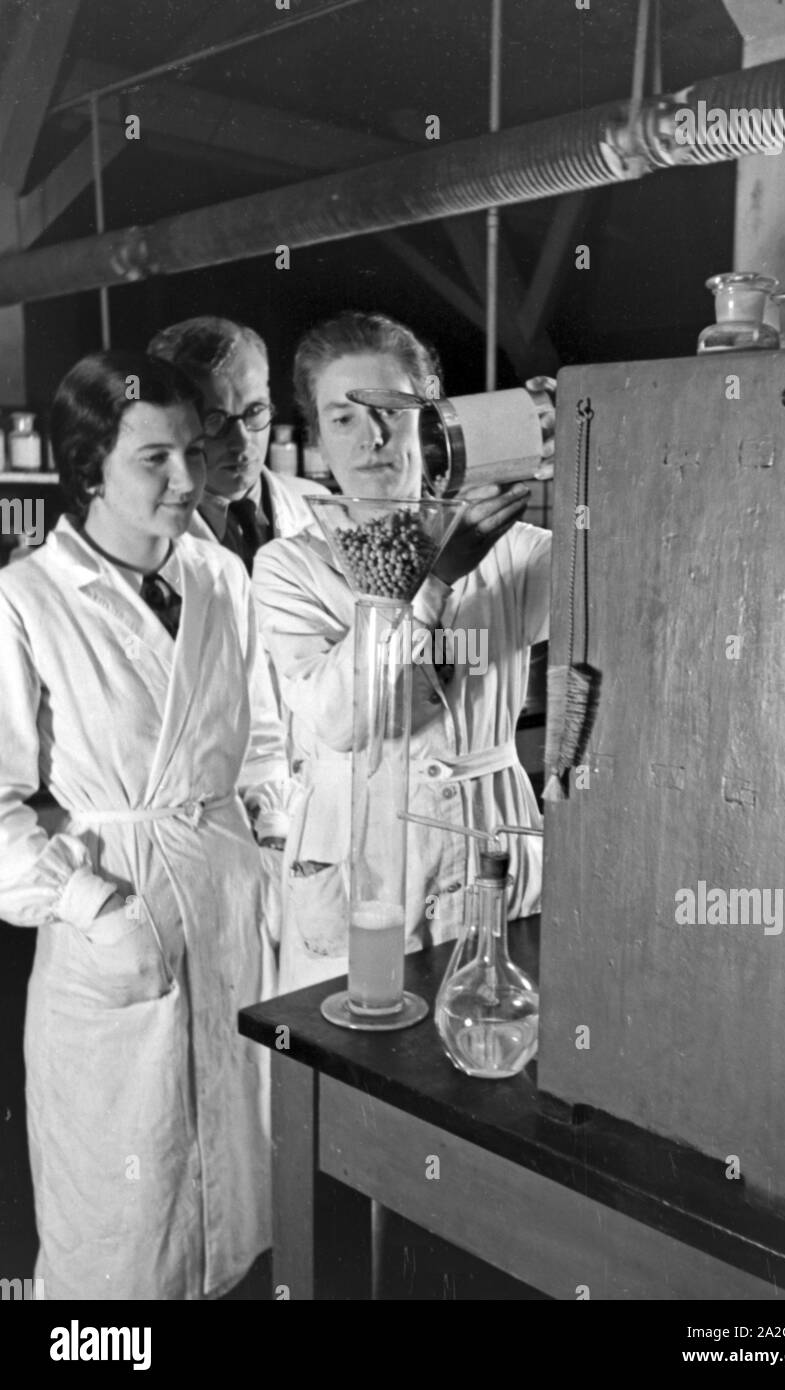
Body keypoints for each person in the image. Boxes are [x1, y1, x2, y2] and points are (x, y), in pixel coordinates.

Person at [0, 351, 292, 1300]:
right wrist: (94, 905)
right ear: (88, 468)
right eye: (153, 459)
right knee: (121, 1234)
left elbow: (259, 738)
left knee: (232, 1212)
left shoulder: (218, 573)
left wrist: (272, 834)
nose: (187, 481)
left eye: (195, 454)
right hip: (113, 922)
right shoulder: (27, 600)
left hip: (222, 901)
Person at [252, 311, 552, 992]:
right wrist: (436, 578)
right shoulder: (290, 566)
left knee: (494, 1039)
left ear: (434, 419)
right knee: (362, 1059)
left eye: (391, 411)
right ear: (319, 440)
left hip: (489, 836)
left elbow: (624, 594)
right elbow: (342, 719)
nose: (372, 439)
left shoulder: (512, 547)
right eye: (343, 419)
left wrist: (582, 450)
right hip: (357, 848)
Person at [148, 316, 329, 573]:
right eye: (215, 420)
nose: (242, 441)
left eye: (255, 410)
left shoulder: (318, 506)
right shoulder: (147, 535)